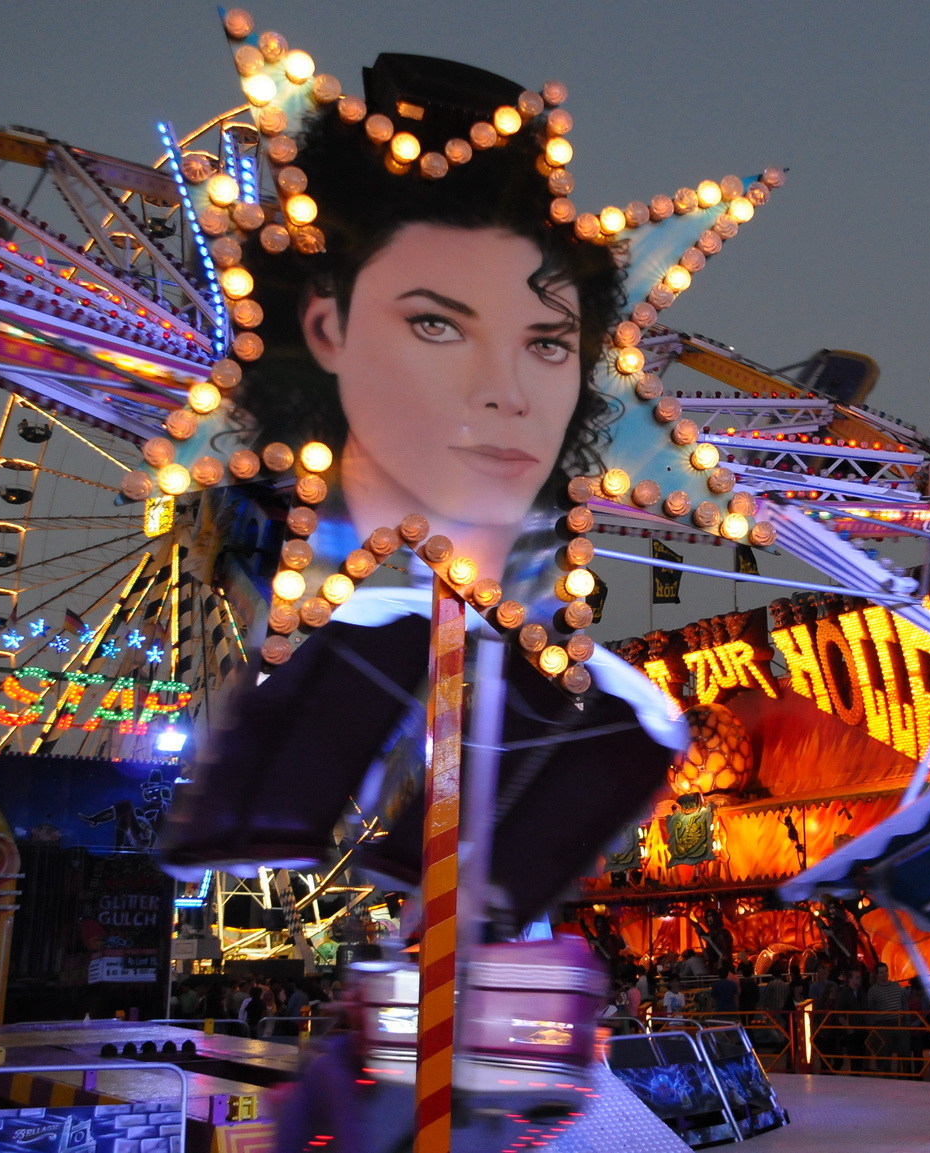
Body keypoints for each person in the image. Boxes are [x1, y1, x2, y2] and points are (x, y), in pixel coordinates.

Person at [158, 52, 687, 945]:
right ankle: (276, 824)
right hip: (380, 580)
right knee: (376, 631)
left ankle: (458, 878)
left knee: (633, 716)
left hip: (457, 603)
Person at [865, 962, 911, 1075]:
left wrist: (907, 1019)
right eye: (881, 972)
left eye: (886, 971)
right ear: (877, 975)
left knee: (904, 1051)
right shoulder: (873, 990)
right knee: (884, 1052)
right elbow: (871, 1009)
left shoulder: (896, 986)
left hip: (900, 1022)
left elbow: (904, 1003)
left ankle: (905, 1075)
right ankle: (886, 1076)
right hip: (884, 1024)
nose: (885, 974)